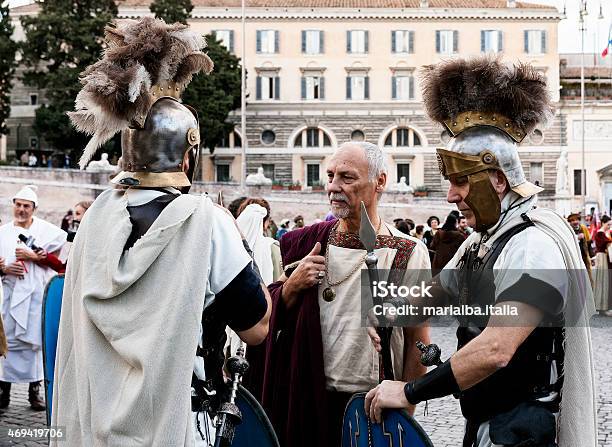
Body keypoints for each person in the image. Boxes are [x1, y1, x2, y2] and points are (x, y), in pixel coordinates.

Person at [51, 17, 271, 446]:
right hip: (177, 418)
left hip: (94, 416)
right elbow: (257, 326)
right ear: (188, 152)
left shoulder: (95, 216)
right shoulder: (205, 221)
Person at [365, 56, 597, 447]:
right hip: (488, 421)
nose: (452, 196)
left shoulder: (532, 245)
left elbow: (497, 349)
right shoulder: (482, 242)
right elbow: (436, 292)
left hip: (523, 428)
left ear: (499, 181)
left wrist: (409, 391)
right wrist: (389, 310)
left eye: (461, 183)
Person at [257, 141, 430, 447]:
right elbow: (263, 318)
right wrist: (291, 287)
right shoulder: (307, 245)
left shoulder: (406, 251)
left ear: (380, 181)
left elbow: (418, 340)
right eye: (330, 176)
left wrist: (406, 409)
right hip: (308, 398)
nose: (333, 187)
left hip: (372, 407)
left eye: (347, 178)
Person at [0, 185, 66, 411]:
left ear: (34, 208)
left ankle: (34, 391)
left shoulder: (48, 232)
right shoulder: (2, 232)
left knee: (35, 343)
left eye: (26, 206)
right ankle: (4, 391)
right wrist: (4, 270)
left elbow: (59, 265)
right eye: (18, 205)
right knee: (8, 341)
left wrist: (33, 257)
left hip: (36, 295)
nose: (21, 209)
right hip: (10, 296)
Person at [593, 215, 612, 315]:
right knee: (602, 280)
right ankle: (601, 306)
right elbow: (604, 243)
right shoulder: (600, 233)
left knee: (605, 281)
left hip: (605, 257)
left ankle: (603, 306)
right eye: (608, 224)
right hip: (602, 257)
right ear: (603, 223)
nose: (609, 226)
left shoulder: (604, 233)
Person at [567, 212, 593, 279]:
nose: (575, 222)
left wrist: (591, 255)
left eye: (577, 220)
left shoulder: (583, 228)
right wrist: (577, 238)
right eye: (572, 220)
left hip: (584, 255)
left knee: (587, 275)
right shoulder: (568, 230)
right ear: (570, 222)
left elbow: (589, 241)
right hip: (574, 255)